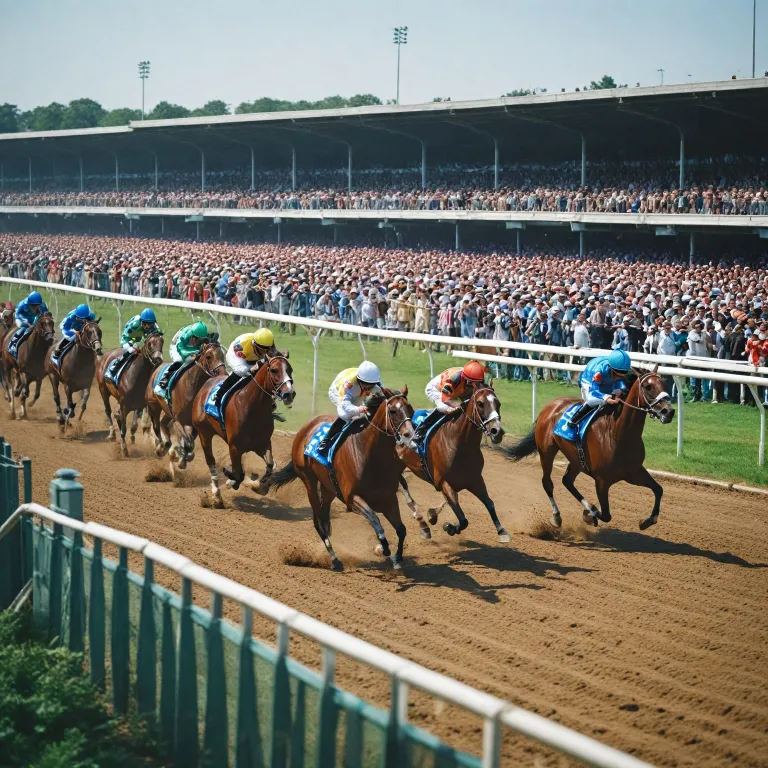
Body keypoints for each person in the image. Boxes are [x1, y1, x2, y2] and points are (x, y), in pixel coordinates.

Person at [409, 360, 486, 449]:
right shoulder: (452, 379)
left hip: (458, 390)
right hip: (437, 390)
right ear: (467, 379)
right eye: (474, 383)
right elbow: (445, 400)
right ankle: (421, 429)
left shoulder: (477, 378)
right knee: (444, 407)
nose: (476, 385)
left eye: (478, 383)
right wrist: (458, 406)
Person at [318, 361, 382, 453]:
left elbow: (383, 397)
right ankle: (326, 440)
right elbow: (345, 405)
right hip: (338, 392)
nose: (368, 387)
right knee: (345, 415)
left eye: (371, 384)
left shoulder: (375, 382)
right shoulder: (348, 385)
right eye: (365, 383)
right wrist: (358, 409)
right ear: (359, 380)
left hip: (356, 392)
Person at [214, 327, 276, 410]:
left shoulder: (267, 344)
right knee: (241, 372)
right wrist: (251, 370)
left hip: (251, 355)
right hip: (237, 355)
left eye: (267, 350)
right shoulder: (244, 346)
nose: (264, 353)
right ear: (254, 345)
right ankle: (219, 395)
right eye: (262, 350)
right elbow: (246, 367)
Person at [567, 348, 632, 426]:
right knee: (596, 400)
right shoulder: (599, 372)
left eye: (621, 376)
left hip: (608, 382)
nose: (617, 377)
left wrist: (620, 392)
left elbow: (622, 386)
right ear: (610, 368)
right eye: (615, 374)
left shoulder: (622, 371)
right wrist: (606, 397)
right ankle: (574, 420)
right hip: (589, 381)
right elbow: (594, 390)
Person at [156, 320, 209, 393]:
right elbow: (182, 351)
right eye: (199, 340)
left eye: (202, 340)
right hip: (178, 347)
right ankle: (164, 381)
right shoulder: (184, 334)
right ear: (193, 336)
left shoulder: (202, 334)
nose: (200, 342)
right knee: (180, 360)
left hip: (193, 349)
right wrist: (195, 352)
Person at [8, 290, 49, 355]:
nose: (36, 306)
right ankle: (14, 342)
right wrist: (27, 323)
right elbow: (17, 314)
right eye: (34, 305)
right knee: (22, 326)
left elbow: (46, 315)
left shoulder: (42, 305)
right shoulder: (22, 304)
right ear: (29, 302)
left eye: (37, 305)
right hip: (22, 319)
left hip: (35, 319)